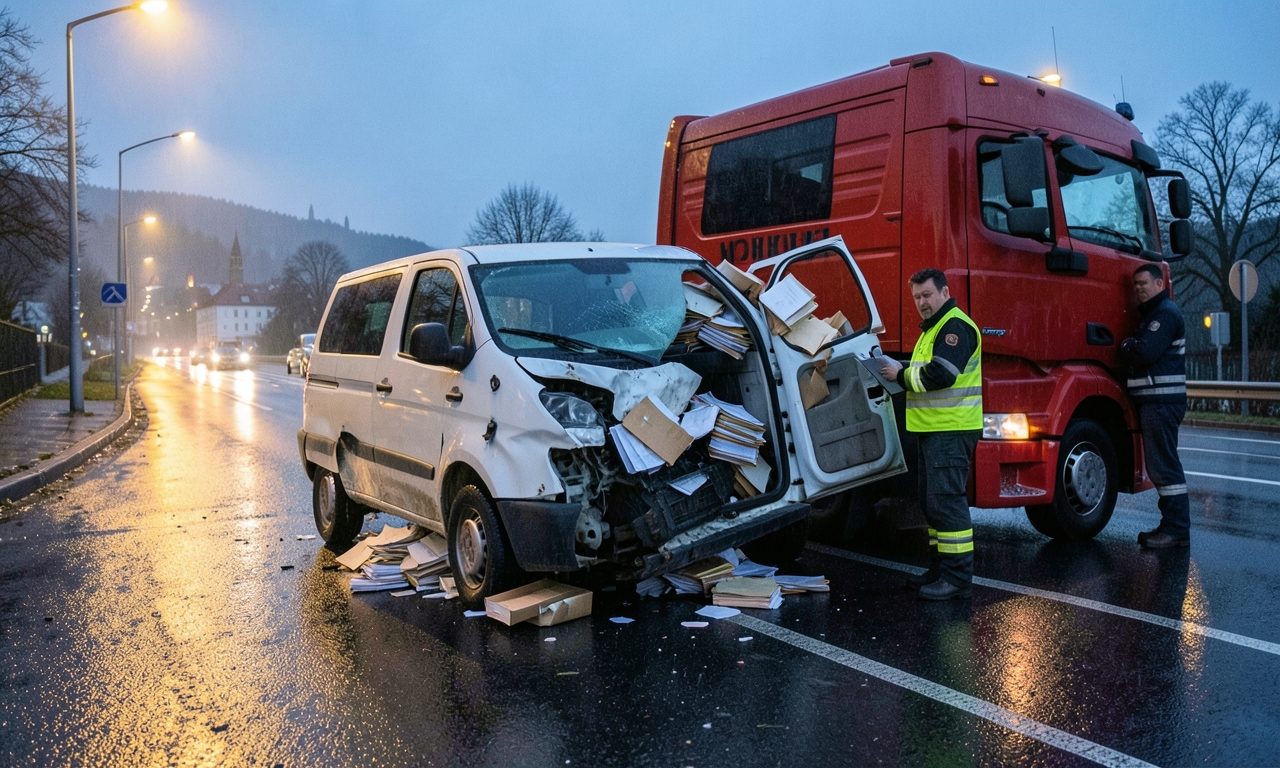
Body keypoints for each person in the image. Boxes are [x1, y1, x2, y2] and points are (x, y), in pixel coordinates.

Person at [878, 268, 982, 600]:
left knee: (947, 505)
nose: (922, 303)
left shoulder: (955, 326)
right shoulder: (935, 328)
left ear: (944, 292)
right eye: (917, 297)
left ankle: (956, 579)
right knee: (932, 504)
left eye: (927, 295)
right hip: (934, 430)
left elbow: (943, 374)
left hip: (950, 431)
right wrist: (903, 369)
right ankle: (940, 570)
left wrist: (900, 374)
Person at [1121, 264, 1189, 549]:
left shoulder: (1164, 314)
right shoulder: (1155, 314)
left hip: (1161, 403)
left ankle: (1175, 530)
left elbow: (1145, 351)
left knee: (1164, 468)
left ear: (1160, 283)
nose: (1138, 288)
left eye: (1144, 283)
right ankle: (1172, 527)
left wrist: (1126, 346)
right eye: (1135, 284)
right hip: (1157, 402)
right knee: (1163, 466)